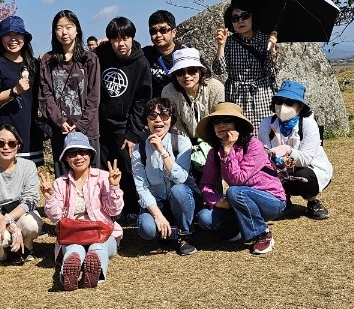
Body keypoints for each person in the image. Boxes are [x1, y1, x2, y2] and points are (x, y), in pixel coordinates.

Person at [195, 102, 286, 255]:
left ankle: (262, 234)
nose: (221, 125)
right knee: (204, 218)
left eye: (226, 120)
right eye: (216, 122)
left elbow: (238, 180)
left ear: (238, 124)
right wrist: (216, 201)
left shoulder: (253, 145)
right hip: (236, 201)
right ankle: (242, 228)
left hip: (270, 200)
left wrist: (228, 149)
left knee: (235, 191)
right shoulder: (214, 153)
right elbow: (206, 184)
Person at [40, 132, 123, 290]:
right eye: (72, 153)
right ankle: (68, 276)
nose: (78, 157)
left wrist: (114, 187)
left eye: (82, 152)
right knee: (74, 250)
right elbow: (56, 218)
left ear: (90, 155)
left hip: (102, 232)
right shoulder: (59, 183)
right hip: (73, 234)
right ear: (66, 158)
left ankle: (94, 275)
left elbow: (114, 210)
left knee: (97, 248)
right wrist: (50, 197)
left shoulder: (104, 177)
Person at [94, 16, 152, 220]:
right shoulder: (99, 55)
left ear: (132, 38)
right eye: (116, 39)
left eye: (125, 38)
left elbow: (142, 100)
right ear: (109, 40)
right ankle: (103, 207)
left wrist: (133, 132)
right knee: (101, 167)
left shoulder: (141, 62)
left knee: (127, 167)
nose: (121, 43)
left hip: (125, 124)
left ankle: (131, 209)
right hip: (100, 124)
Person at [256, 80, 333, 220]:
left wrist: (287, 150)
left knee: (304, 176)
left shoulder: (308, 124)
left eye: (289, 102)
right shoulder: (267, 123)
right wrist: (277, 157)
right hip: (278, 168)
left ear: (300, 106)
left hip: (307, 169)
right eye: (279, 101)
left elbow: (306, 159)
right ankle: (283, 200)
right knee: (262, 172)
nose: (282, 106)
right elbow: (264, 153)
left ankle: (312, 201)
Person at [130, 97, 197, 256]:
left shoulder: (181, 142)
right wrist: (158, 216)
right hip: (157, 201)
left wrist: (162, 151)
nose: (158, 120)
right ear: (146, 120)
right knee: (146, 230)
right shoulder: (139, 150)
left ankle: (185, 235)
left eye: (164, 115)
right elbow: (142, 188)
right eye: (152, 116)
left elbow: (180, 178)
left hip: (180, 199)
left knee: (179, 190)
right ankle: (165, 229)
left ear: (171, 119)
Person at [37, 10, 100, 174]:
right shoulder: (48, 60)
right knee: (63, 182)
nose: (64, 32)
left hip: (86, 130)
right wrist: (60, 121)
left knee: (91, 182)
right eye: (59, 28)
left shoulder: (90, 59)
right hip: (61, 131)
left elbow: (94, 96)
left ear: (77, 29)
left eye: (68, 27)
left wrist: (79, 125)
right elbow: (46, 95)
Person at [0, 124, 44, 264]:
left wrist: (7, 220)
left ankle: (27, 247)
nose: (6, 147)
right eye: (1, 143)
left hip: (19, 215)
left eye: (11, 143)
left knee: (31, 224)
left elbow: (30, 200)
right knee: (0, 238)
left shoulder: (28, 167)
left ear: (18, 145)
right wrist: (12, 227)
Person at [0, 15, 43, 165]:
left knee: (29, 181)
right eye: (8, 35)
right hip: (5, 134)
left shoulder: (35, 64)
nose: (13, 39)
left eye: (17, 34)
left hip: (31, 132)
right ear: (1, 39)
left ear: (25, 38)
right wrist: (14, 90)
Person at [212, 3, 280, 127]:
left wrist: (272, 51)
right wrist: (221, 45)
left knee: (264, 131)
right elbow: (218, 69)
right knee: (239, 132)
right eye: (235, 19)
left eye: (245, 16)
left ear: (252, 17)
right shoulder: (229, 42)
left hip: (261, 93)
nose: (240, 21)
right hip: (236, 94)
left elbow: (272, 73)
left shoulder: (266, 40)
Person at [161, 47, 224, 180]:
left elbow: (219, 119)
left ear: (200, 71)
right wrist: (189, 147)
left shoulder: (215, 87)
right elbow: (174, 124)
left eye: (192, 70)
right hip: (183, 143)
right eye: (180, 72)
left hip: (213, 141)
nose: (186, 76)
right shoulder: (168, 92)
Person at [141, 9, 186, 98]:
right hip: (155, 108)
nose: (158, 35)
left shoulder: (185, 53)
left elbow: (204, 77)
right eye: (153, 31)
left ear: (174, 32)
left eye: (163, 30)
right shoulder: (144, 54)